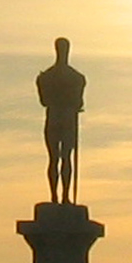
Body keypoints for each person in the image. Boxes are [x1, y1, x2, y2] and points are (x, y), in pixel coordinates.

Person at [36, 38, 86, 204]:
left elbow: (44, 100)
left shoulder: (47, 77)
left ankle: (61, 196)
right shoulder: (76, 78)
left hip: (58, 117)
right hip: (63, 117)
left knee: (60, 158)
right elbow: (78, 102)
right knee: (59, 158)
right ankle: (59, 196)